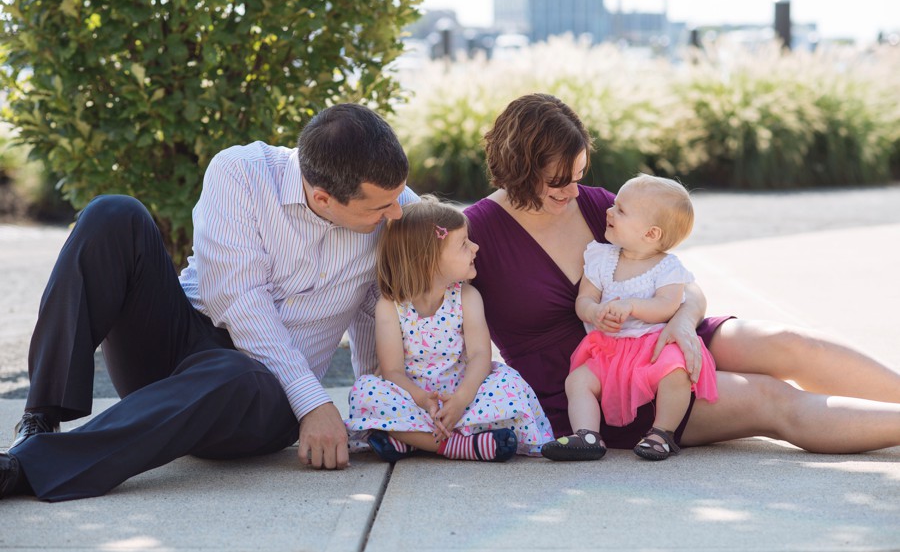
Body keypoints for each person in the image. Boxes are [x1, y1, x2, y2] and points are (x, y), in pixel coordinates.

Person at [0, 103, 418, 502]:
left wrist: (374, 415)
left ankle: (27, 468)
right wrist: (317, 399)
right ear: (324, 197)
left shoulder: (397, 208)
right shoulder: (240, 172)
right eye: (382, 206)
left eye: (398, 197)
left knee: (235, 372)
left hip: (268, 395)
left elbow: (377, 316)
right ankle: (39, 419)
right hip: (178, 351)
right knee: (113, 214)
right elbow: (237, 301)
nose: (396, 213)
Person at [465, 92, 900, 454]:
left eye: (578, 175)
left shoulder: (599, 206)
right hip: (596, 389)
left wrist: (683, 323)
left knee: (791, 342)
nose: (572, 191)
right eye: (558, 181)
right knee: (769, 398)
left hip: (662, 335)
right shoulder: (475, 233)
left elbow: (682, 283)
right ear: (519, 166)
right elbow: (421, 313)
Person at [345, 196, 554, 462]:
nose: (476, 247)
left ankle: (408, 440)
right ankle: (457, 445)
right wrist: (422, 400)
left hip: (462, 394)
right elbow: (392, 371)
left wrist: (462, 399)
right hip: (414, 398)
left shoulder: (466, 297)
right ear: (429, 260)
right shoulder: (390, 306)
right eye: (464, 244)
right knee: (366, 391)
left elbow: (480, 355)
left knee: (509, 383)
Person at [541, 175, 717, 462]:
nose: (608, 212)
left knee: (676, 372)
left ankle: (662, 433)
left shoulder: (668, 267)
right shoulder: (601, 258)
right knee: (579, 380)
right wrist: (594, 312)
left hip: (652, 346)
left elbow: (667, 306)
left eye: (620, 210)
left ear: (651, 234)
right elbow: (584, 299)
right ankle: (587, 435)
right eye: (614, 205)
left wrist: (632, 306)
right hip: (609, 347)